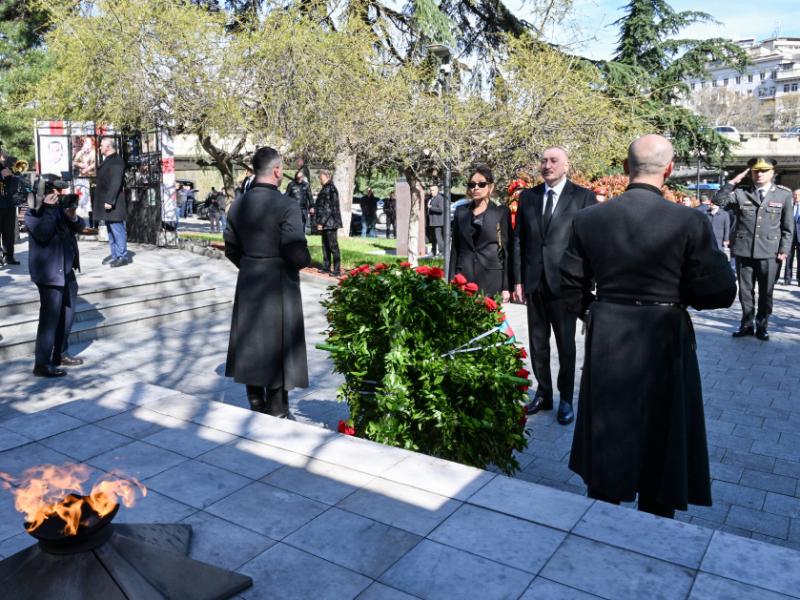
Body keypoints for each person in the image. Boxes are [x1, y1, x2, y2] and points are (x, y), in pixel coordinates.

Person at [562, 134, 736, 519]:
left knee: (611, 419)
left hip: (609, 333)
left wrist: (596, 310)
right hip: (664, 332)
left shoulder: (589, 218)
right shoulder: (690, 221)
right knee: (664, 425)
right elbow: (721, 293)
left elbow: (568, 284)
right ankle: (656, 519)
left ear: (625, 167)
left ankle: (604, 510)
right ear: (670, 170)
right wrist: (677, 297)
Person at [512, 146, 596, 426]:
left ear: (566, 165)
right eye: (543, 160)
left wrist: (587, 283)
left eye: (553, 160)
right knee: (538, 343)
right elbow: (518, 241)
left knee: (566, 345)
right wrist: (518, 280)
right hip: (534, 282)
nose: (547, 165)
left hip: (566, 285)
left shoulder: (583, 197)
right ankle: (544, 394)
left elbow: (590, 244)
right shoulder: (528, 197)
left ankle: (566, 400)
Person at [224, 146, 311, 417]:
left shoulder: (237, 205)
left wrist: (251, 264)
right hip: (278, 281)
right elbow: (295, 252)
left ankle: (256, 403)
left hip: (249, 277)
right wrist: (299, 262)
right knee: (277, 343)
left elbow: (230, 247)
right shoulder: (287, 205)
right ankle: (277, 410)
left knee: (251, 340)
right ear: (277, 170)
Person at [713, 157, 793, 341]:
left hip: (770, 252)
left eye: (764, 170)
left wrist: (784, 250)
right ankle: (747, 324)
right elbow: (718, 201)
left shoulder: (783, 195)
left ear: (773, 172)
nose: (760, 174)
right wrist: (733, 182)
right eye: (756, 171)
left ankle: (762, 325)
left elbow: (788, 227)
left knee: (766, 292)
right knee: (745, 291)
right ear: (750, 173)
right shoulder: (741, 193)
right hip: (744, 250)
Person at [25, 178, 87, 377]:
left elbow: (79, 227)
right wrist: (51, 209)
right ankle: (41, 364)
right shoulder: (33, 213)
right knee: (49, 320)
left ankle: (60, 354)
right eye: (52, 192)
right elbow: (43, 233)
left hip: (67, 272)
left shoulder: (59, 209)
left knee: (67, 317)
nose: (56, 196)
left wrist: (72, 215)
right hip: (49, 274)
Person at [449, 165, 512, 299]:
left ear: (491, 187)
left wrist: (506, 287)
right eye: (472, 184)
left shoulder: (501, 212)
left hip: (491, 277)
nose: (476, 188)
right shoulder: (461, 212)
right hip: (463, 276)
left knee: (489, 319)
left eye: (481, 184)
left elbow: (507, 250)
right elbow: (455, 248)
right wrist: (451, 280)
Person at [94, 138, 129, 267]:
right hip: (107, 202)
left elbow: (116, 182)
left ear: (108, 146)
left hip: (113, 203)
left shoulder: (117, 161)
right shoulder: (109, 160)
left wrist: (110, 200)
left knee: (117, 229)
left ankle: (122, 256)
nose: (100, 148)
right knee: (110, 230)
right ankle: (115, 255)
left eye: (102, 145)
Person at [314, 169, 342, 276]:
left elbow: (329, 208)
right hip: (326, 222)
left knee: (333, 246)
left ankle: (337, 270)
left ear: (327, 176)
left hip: (331, 222)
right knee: (325, 246)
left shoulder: (331, 189)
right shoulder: (325, 188)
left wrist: (321, 222)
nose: (320, 179)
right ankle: (326, 267)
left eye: (321, 177)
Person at [0, 155, 22, 265]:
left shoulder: (11, 169)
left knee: (9, 233)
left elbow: (17, 182)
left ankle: (9, 256)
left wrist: (13, 174)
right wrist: (1, 175)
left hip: (9, 205)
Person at [783, 189, 800, 285]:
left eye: (798, 195)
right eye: (795, 195)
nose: (796, 197)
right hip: (790, 237)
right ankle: (787, 279)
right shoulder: (789, 207)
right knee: (788, 259)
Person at [427, 184, 445, 255]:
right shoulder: (431, 198)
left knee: (438, 237)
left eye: (433, 190)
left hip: (438, 222)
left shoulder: (440, 198)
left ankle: (442, 251)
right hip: (432, 222)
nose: (432, 192)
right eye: (430, 190)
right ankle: (433, 251)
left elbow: (441, 209)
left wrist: (431, 207)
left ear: (437, 190)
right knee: (433, 238)